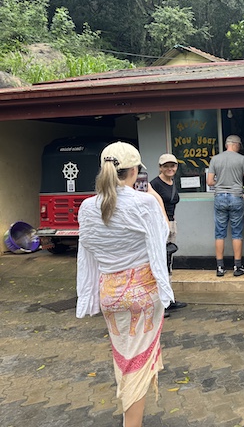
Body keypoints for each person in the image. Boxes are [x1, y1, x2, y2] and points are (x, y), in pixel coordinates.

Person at [76, 141, 174, 427]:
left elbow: (86, 250)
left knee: (124, 358)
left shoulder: (87, 207)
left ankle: (130, 416)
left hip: (109, 292)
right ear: (134, 171)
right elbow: (162, 236)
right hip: (143, 291)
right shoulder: (144, 203)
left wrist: (87, 296)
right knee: (136, 364)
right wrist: (156, 200)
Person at [206, 135, 244, 277]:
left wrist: (220, 183)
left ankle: (220, 267)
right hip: (236, 196)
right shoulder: (242, 159)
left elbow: (209, 181)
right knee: (236, 233)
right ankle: (237, 266)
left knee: (220, 233)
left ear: (226, 145)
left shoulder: (215, 159)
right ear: (236, 144)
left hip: (220, 197)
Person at [150, 153, 187, 313]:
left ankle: (168, 299)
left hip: (171, 225)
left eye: (173, 165)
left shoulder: (172, 182)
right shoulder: (154, 184)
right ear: (160, 167)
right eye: (166, 166)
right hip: (160, 227)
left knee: (168, 262)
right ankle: (160, 303)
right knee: (161, 263)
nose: (170, 169)